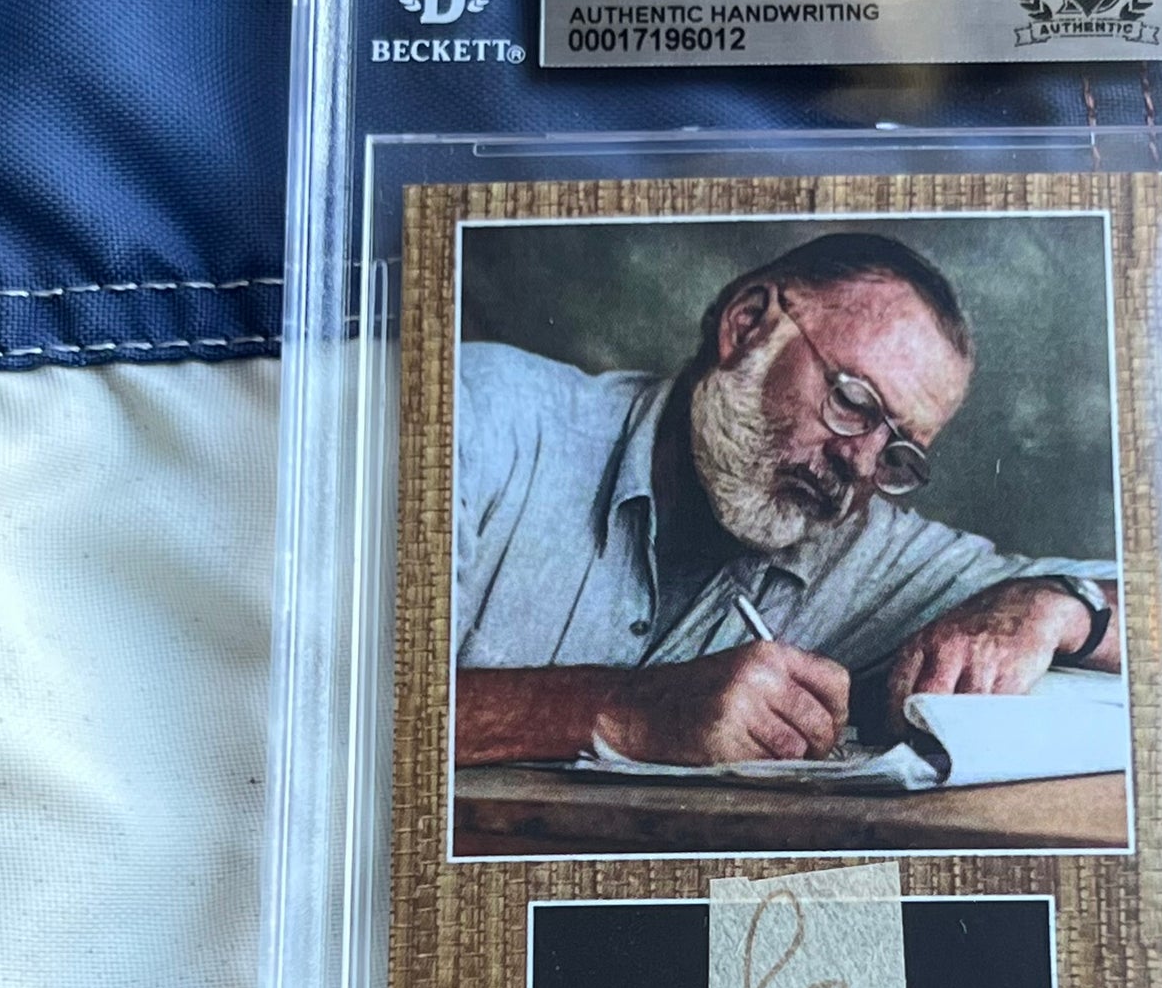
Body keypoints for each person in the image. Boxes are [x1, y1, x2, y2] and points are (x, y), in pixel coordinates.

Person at [453, 231, 1120, 766]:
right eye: (853, 401)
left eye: (898, 454)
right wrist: (630, 711)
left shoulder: (863, 550)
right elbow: (386, 711)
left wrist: (1058, 603)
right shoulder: (480, 415)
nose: (859, 462)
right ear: (747, 326)